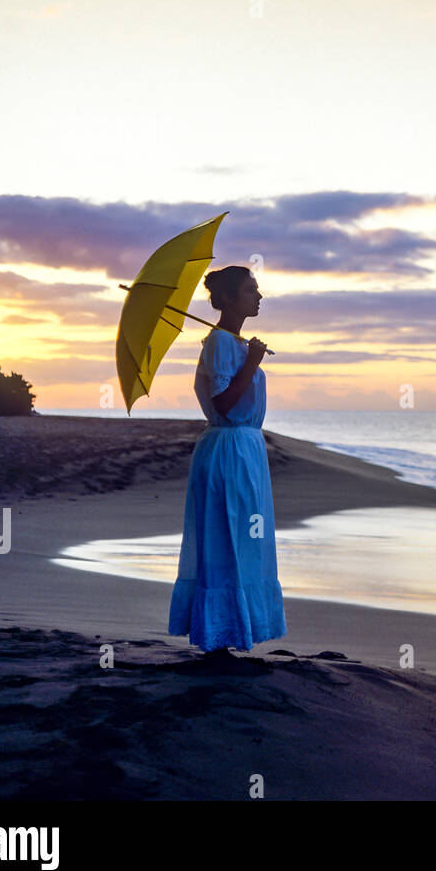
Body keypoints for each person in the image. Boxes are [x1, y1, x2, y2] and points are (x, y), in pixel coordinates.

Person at [168, 264, 286, 658]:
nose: (259, 296)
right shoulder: (219, 342)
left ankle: (233, 632)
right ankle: (218, 638)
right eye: (252, 290)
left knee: (246, 538)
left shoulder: (232, 342)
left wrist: (248, 355)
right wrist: (251, 361)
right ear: (230, 298)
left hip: (245, 451)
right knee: (227, 537)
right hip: (229, 451)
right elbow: (222, 402)